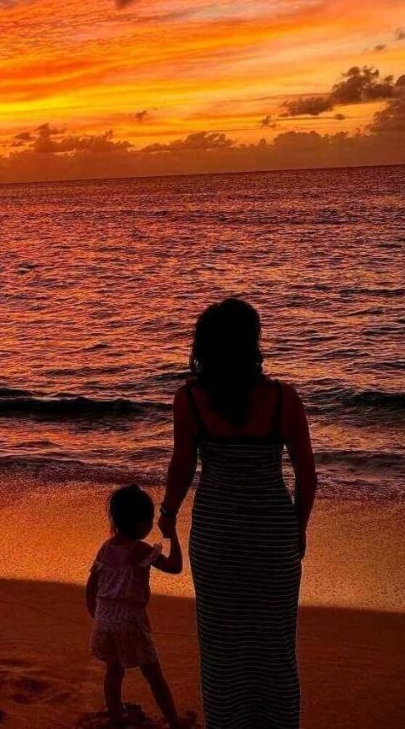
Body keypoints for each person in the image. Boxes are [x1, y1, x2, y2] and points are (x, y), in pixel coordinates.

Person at [157, 298, 316, 729]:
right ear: (253, 343)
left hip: (216, 537)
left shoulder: (189, 399)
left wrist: (168, 511)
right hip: (272, 536)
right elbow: (307, 475)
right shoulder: (282, 399)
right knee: (275, 645)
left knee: (221, 645)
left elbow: (183, 466)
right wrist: (296, 528)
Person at [86, 484, 188, 728]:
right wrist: (172, 534)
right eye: (150, 520)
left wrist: (96, 614)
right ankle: (174, 722)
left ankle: (115, 715)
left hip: (105, 618)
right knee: (154, 675)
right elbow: (175, 567)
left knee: (114, 670)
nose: (151, 525)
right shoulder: (141, 550)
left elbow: (92, 585)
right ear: (140, 523)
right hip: (131, 621)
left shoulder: (106, 548)